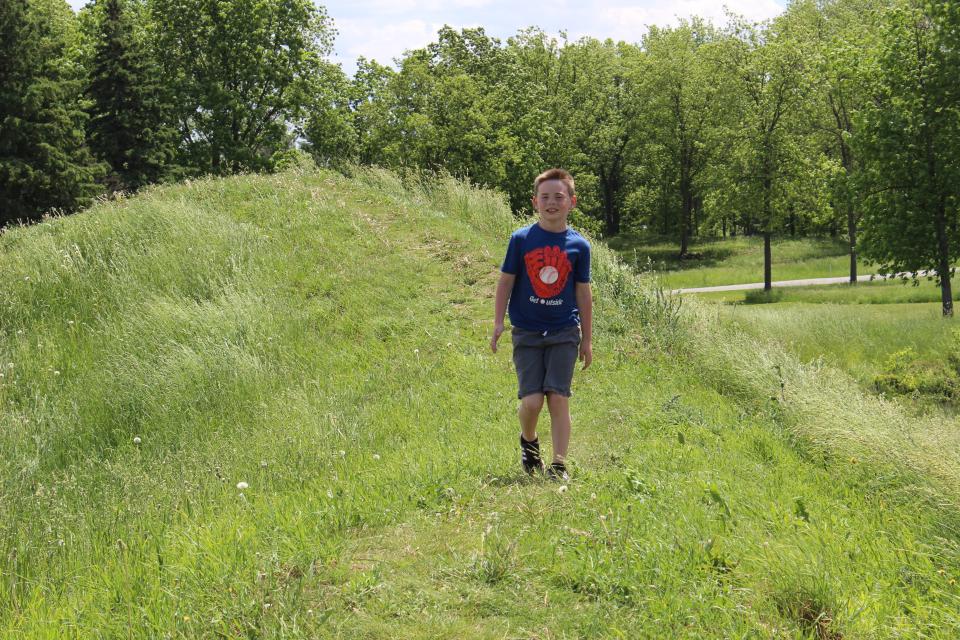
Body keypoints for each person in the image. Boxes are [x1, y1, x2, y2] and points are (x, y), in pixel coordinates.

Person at [490, 168, 593, 482]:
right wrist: (497, 322)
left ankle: (559, 464)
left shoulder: (580, 246)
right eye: (545, 197)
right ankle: (529, 441)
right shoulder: (521, 239)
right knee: (532, 401)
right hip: (527, 333)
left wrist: (586, 339)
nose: (552, 202)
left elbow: (583, 294)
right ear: (535, 202)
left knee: (558, 397)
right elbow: (506, 282)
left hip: (564, 331)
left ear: (571, 202)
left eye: (558, 197)